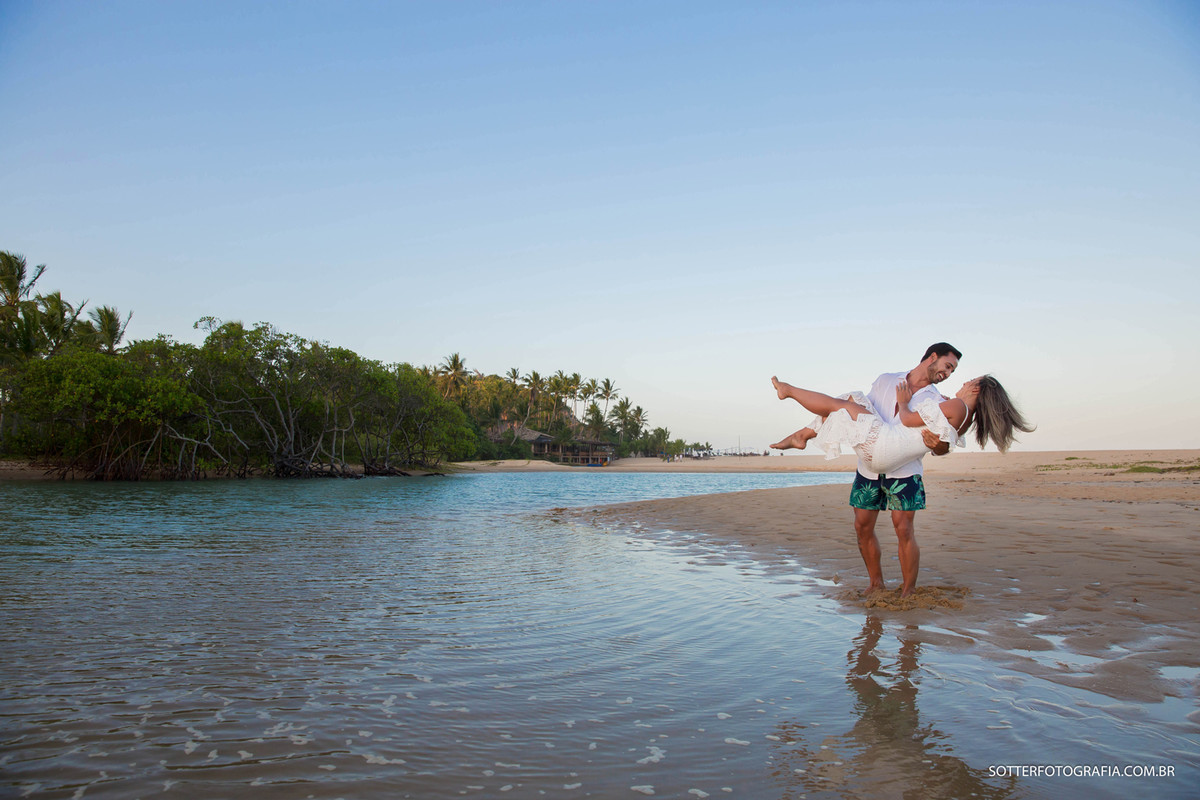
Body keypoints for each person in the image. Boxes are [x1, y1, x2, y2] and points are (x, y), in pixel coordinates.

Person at [771, 343, 1027, 598]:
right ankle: (876, 584)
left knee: (903, 528)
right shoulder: (888, 381)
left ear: (975, 388)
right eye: (948, 366)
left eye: (955, 372)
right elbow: (860, 415)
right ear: (932, 357)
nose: (950, 375)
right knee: (849, 405)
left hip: (901, 467)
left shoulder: (940, 400)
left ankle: (908, 589)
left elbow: (940, 446)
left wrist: (921, 426)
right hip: (871, 465)